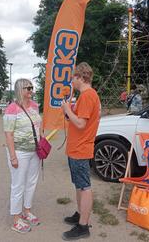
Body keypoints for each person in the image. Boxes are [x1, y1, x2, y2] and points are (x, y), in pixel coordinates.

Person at [61, 62, 101, 240]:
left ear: (80, 77)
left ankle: (83, 226)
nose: (71, 82)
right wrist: (68, 112)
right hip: (77, 148)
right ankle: (80, 215)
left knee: (84, 187)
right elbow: (76, 120)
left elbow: (81, 123)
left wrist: (67, 109)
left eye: (73, 78)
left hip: (80, 149)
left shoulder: (87, 96)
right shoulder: (86, 96)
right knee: (79, 185)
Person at [3, 78, 43, 234]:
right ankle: (16, 219)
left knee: (32, 182)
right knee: (18, 184)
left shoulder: (34, 106)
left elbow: (38, 125)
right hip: (19, 152)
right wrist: (13, 156)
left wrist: (42, 139)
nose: (31, 90)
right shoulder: (12, 109)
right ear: (20, 90)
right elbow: (8, 134)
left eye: (32, 88)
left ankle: (27, 211)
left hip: (35, 151)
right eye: (28, 88)